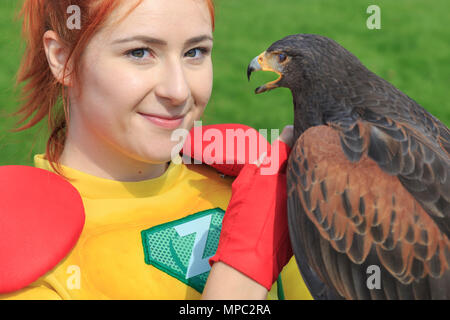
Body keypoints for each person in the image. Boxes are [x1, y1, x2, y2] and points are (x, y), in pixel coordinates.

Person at [1, 0, 312, 300]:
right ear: (61, 57)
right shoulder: (25, 252)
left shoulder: (255, 184)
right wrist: (248, 260)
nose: (178, 91)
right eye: (139, 52)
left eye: (195, 52)